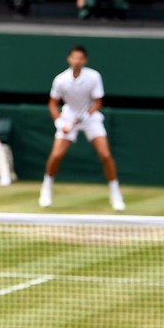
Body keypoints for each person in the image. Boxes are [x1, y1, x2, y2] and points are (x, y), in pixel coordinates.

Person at [40, 45, 125, 211]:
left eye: (80, 58)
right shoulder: (60, 80)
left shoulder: (94, 77)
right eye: (74, 58)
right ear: (69, 59)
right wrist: (59, 123)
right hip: (68, 116)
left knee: (105, 155)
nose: (77, 61)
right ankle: (46, 188)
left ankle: (115, 193)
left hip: (90, 118)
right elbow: (52, 104)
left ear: (84, 60)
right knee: (57, 155)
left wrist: (87, 114)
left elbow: (98, 101)